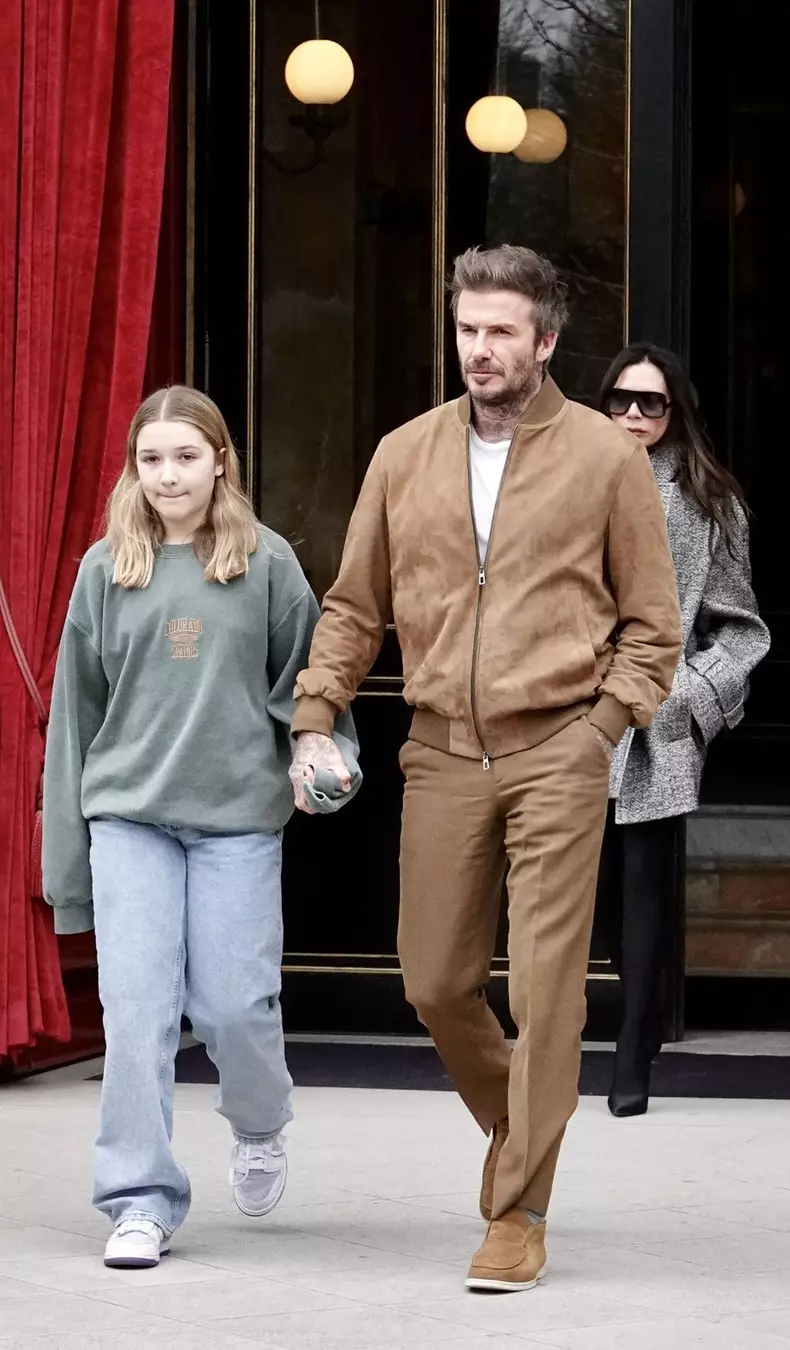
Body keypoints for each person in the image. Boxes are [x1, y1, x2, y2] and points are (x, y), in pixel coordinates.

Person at [288, 245, 682, 1293]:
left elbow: (653, 626)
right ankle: (520, 1122)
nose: (480, 348)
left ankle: (519, 1212)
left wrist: (603, 727)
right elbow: (354, 605)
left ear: (545, 340)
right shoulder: (403, 453)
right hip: (440, 749)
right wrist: (315, 714)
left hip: (559, 747)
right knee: (432, 979)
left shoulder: (605, 459)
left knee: (548, 992)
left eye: (501, 330)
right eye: (468, 329)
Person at [42, 386, 357, 1269]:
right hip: (130, 819)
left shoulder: (268, 563)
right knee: (137, 1014)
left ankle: (259, 1123)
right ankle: (138, 1199)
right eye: (151, 459)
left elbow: (313, 690)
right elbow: (75, 720)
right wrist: (68, 869)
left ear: (221, 461)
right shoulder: (106, 568)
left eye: (185, 456)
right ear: (133, 469)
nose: (168, 475)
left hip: (236, 824)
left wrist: (326, 760)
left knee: (233, 1007)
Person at [597, 343, 770, 1117]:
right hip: (567, 717)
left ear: (676, 412)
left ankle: (634, 1049)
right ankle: (611, 1023)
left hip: (653, 725)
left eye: (651, 403)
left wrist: (688, 697)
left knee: (643, 893)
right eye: (621, 400)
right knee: (584, 893)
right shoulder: (559, 483)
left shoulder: (708, 500)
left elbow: (741, 627)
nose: (635, 414)